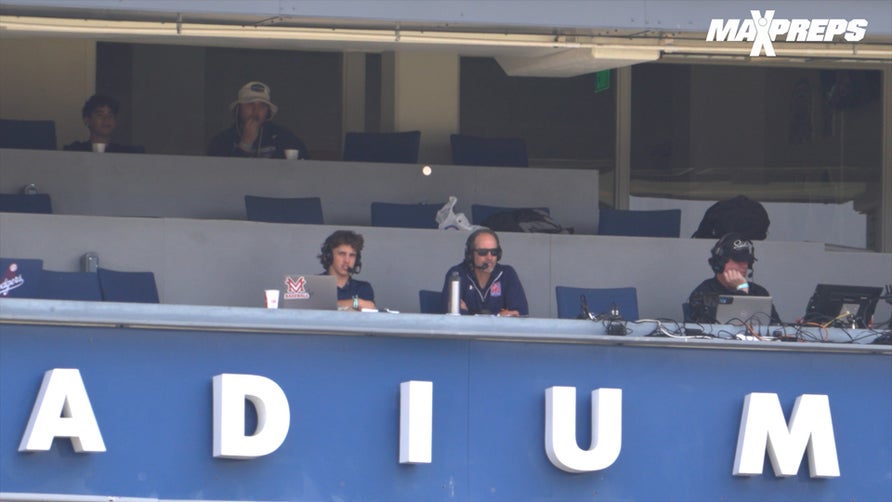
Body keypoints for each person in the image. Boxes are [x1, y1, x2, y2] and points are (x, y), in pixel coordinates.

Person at [688, 232, 780, 323]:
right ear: (720, 263)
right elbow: (710, 329)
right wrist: (742, 290)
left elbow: (776, 328)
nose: (744, 265)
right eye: (738, 260)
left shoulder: (759, 293)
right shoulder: (703, 293)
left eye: (747, 261)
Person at [207, 81, 309, 159]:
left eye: (262, 106)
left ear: (268, 112)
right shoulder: (223, 140)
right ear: (239, 109)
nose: (256, 111)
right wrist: (245, 143)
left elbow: (305, 166)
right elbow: (220, 176)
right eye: (250, 104)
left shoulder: (284, 137)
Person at [440, 229, 529, 316]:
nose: (489, 257)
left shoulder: (507, 274)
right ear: (470, 255)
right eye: (483, 252)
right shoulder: (457, 274)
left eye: (494, 252)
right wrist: (499, 316)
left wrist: (469, 313)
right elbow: (453, 314)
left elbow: (520, 313)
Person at [63, 94, 145, 153]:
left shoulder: (125, 153)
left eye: (110, 115)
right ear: (87, 120)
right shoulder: (74, 151)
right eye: (100, 115)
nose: (106, 119)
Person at [319, 230, 375, 310]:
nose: (347, 260)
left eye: (352, 255)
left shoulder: (363, 288)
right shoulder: (315, 284)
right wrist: (356, 302)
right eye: (342, 254)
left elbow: (370, 307)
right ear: (329, 256)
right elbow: (314, 307)